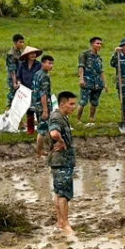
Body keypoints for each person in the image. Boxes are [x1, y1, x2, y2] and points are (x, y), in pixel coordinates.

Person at [47, 91, 78, 235]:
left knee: (59, 193)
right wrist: (60, 141)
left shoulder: (62, 117)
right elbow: (53, 133)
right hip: (61, 161)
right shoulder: (57, 118)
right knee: (64, 194)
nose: (74, 107)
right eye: (71, 104)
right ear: (62, 104)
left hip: (61, 161)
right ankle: (65, 224)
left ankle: (60, 221)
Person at [76, 36, 106, 125]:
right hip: (87, 82)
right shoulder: (84, 54)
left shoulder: (99, 57)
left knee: (94, 102)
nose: (99, 45)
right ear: (92, 44)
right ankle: (78, 119)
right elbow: (81, 67)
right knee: (83, 101)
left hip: (97, 83)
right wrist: (81, 79)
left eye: (100, 44)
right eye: (97, 43)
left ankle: (91, 118)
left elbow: (101, 71)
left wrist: (105, 84)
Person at [31, 53, 54, 157]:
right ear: (43, 63)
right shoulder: (44, 76)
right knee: (42, 130)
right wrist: (45, 110)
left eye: (52, 64)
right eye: (49, 63)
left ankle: (49, 149)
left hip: (36, 104)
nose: (51, 66)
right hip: (42, 106)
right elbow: (43, 94)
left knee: (47, 127)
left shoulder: (37, 74)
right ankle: (39, 152)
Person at [17, 45, 41, 135]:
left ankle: (40, 128)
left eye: (34, 53)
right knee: (29, 110)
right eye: (31, 54)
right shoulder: (22, 65)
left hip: (36, 90)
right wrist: (19, 83)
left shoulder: (38, 65)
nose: (33, 55)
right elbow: (18, 76)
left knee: (38, 109)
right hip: (25, 90)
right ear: (27, 55)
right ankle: (30, 130)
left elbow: (40, 77)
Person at [5, 33, 25, 109]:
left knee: (18, 98)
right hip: (13, 78)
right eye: (20, 42)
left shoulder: (19, 52)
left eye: (23, 42)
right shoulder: (11, 54)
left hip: (18, 77)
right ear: (15, 42)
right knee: (13, 97)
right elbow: (12, 70)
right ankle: (8, 113)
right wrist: (14, 82)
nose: (22, 44)